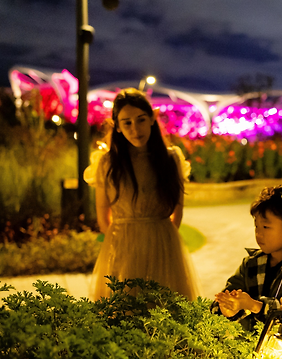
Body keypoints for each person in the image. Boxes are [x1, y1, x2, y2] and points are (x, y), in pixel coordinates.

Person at [84, 88, 199, 300]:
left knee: (164, 309)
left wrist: (161, 238)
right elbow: (102, 216)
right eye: (126, 122)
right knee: (124, 309)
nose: (135, 129)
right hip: (123, 243)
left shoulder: (171, 158)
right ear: (117, 126)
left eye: (141, 119)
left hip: (163, 242)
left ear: (152, 118)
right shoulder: (107, 163)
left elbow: (178, 210)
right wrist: (121, 242)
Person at [213, 185, 282, 331]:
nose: (259, 234)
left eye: (266, 227)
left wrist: (253, 305)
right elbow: (228, 294)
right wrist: (227, 307)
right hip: (246, 348)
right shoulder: (250, 263)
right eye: (256, 226)